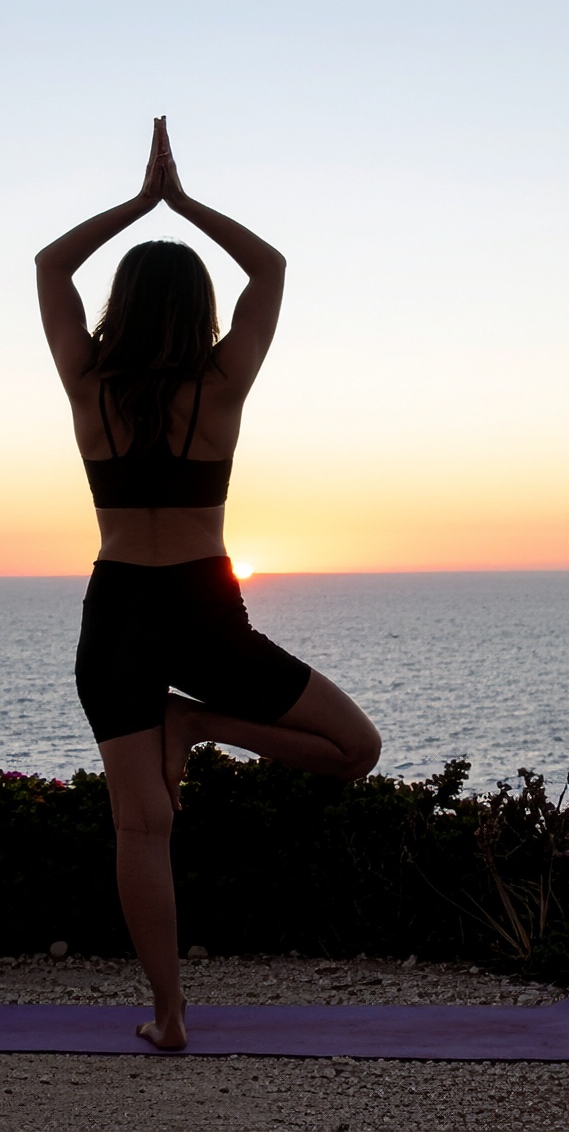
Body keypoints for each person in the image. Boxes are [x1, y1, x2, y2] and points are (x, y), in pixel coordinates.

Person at [34, 117, 382, 1050]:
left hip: (117, 612)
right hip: (201, 609)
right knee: (357, 750)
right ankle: (204, 725)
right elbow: (267, 271)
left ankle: (169, 1016)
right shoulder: (220, 387)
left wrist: (137, 206)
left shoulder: (88, 386)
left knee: (141, 828)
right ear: (198, 311)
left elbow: (48, 268)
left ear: (124, 302)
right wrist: (184, 203)